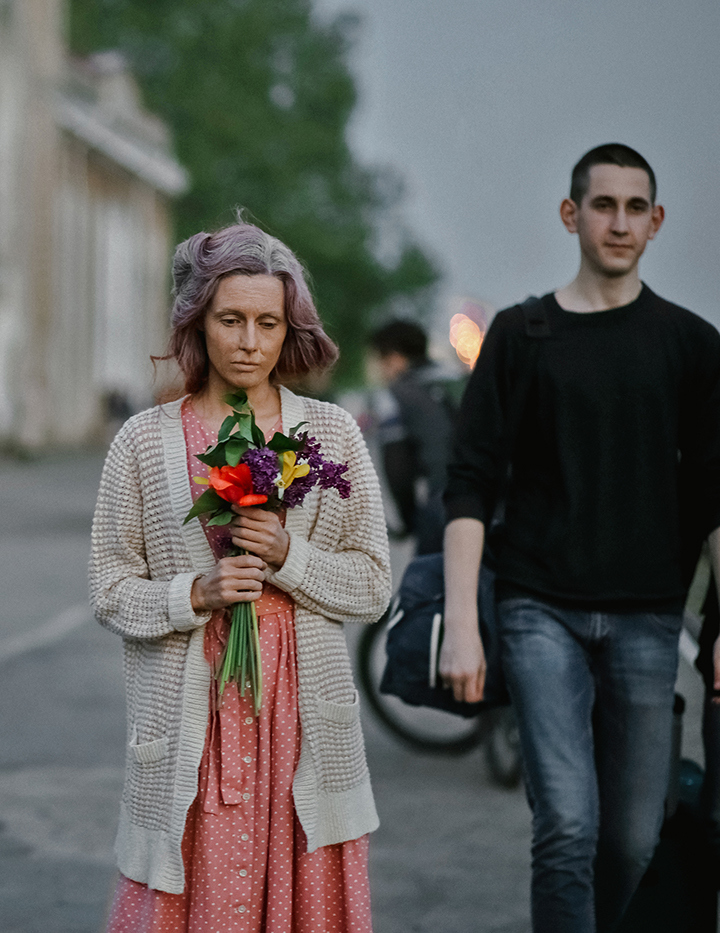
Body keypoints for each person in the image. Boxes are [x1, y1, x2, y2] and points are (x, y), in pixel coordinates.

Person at [439, 144, 720, 932]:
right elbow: (470, 482)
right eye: (603, 205)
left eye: (636, 208)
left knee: (632, 839)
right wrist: (465, 624)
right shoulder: (523, 338)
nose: (619, 222)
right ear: (572, 215)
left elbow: (714, 492)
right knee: (566, 824)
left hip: (647, 614)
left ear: (656, 221)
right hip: (539, 609)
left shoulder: (691, 346)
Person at [90, 221, 391, 931]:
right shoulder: (143, 441)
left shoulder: (331, 435)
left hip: (302, 724)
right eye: (231, 319)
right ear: (199, 321)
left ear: (290, 330)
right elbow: (108, 585)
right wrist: (192, 593)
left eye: (268, 322)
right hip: (193, 724)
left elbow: (374, 584)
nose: (250, 341)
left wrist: (292, 557)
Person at [366, 320, 455, 555]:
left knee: (427, 586)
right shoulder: (459, 379)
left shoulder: (393, 396)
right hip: (499, 499)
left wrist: (408, 520)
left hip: (444, 502)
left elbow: (397, 467)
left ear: (394, 358)